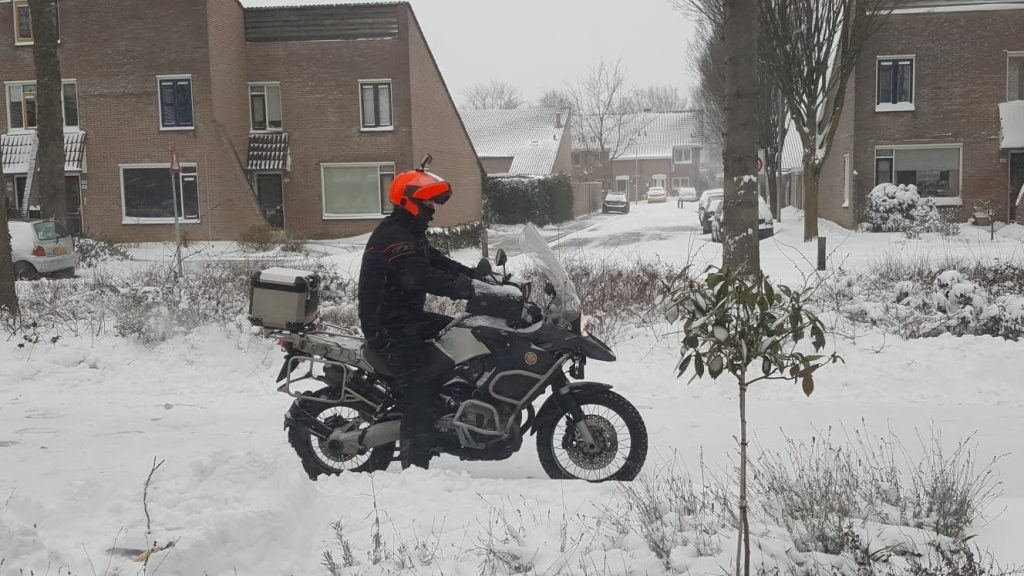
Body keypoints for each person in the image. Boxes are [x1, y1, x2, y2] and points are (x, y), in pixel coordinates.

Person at [358, 165, 476, 470]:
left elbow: (438, 263)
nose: (431, 210)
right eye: (427, 204)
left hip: (408, 318)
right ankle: (415, 464)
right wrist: (463, 289)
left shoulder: (410, 234)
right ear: (410, 201)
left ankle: (454, 407)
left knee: (466, 333)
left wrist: (478, 278)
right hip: (388, 328)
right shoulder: (393, 237)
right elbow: (416, 275)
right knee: (419, 386)